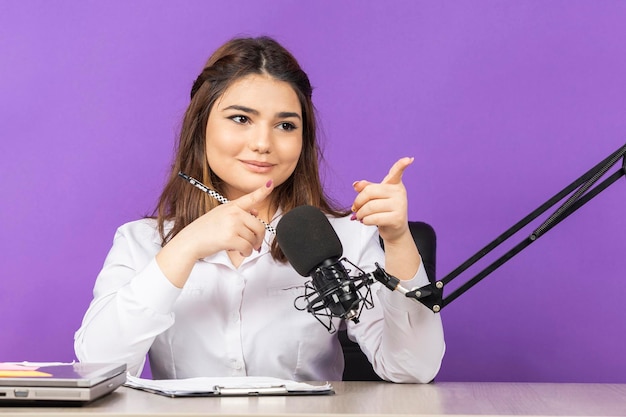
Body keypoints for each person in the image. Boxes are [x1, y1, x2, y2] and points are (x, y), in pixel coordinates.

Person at [74, 36, 445, 383]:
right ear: (201, 126)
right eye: (241, 119)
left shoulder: (344, 237)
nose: (263, 143)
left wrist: (397, 241)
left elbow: (413, 369)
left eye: (285, 125)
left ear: (303, 139)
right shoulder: (141, 243)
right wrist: (184, 248)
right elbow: (98, 367)